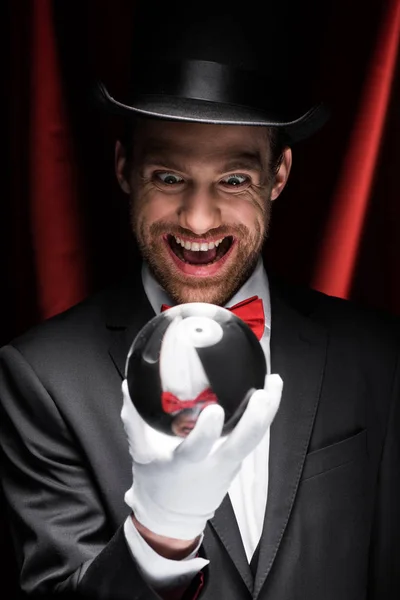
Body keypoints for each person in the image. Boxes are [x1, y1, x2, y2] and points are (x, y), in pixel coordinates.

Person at [1, 4, 399, 600]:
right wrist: (161, 533)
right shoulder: (43, 377)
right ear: (124, 169)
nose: (198, 218)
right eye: (169, 177)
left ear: (279, 175)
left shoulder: (376, 356)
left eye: (234, 180)